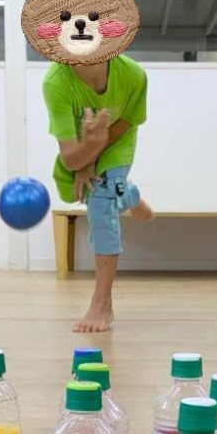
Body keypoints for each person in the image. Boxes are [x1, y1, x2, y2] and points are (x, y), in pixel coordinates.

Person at [43, 54, 153, 332]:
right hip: (82, 148)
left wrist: (93, 154)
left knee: (101, 205)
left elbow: (126, 122)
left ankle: (102, 304)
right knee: (76, 193)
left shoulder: (133, 75)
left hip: (117, 140)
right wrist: (85, 156)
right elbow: (70, 157)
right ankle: (127, 194)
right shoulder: (55, 82)